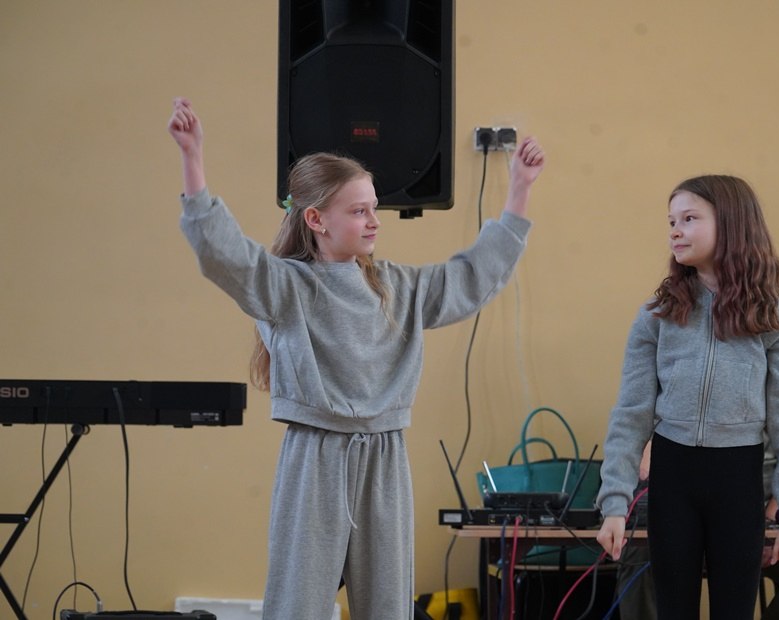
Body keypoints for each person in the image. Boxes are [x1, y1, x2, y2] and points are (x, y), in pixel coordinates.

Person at [167, 97, 545, 620]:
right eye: (359, 210)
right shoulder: (287, 288)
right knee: (297, 605)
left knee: (388, 607)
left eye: (374, 208)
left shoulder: (398, 287)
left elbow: (472, 277)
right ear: (316, 219)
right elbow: (227, 254)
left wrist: (519, 190)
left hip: (385, 458)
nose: (374, 221)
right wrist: (193, 159)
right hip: (315, 458)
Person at [596, 175, 779, 619]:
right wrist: (614, 503)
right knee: (673, 609)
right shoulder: (657, 317)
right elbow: (631, 415)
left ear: (732, 224)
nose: (675, 231)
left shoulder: (777, 321)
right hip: (673, 477)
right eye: (671, 222)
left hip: (738, 479)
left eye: (689, 219)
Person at [613, 439, 779, 620]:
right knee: (638, 553)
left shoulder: (777, 406)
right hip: (682, 527)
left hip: (761, 527)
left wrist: (764, 531)